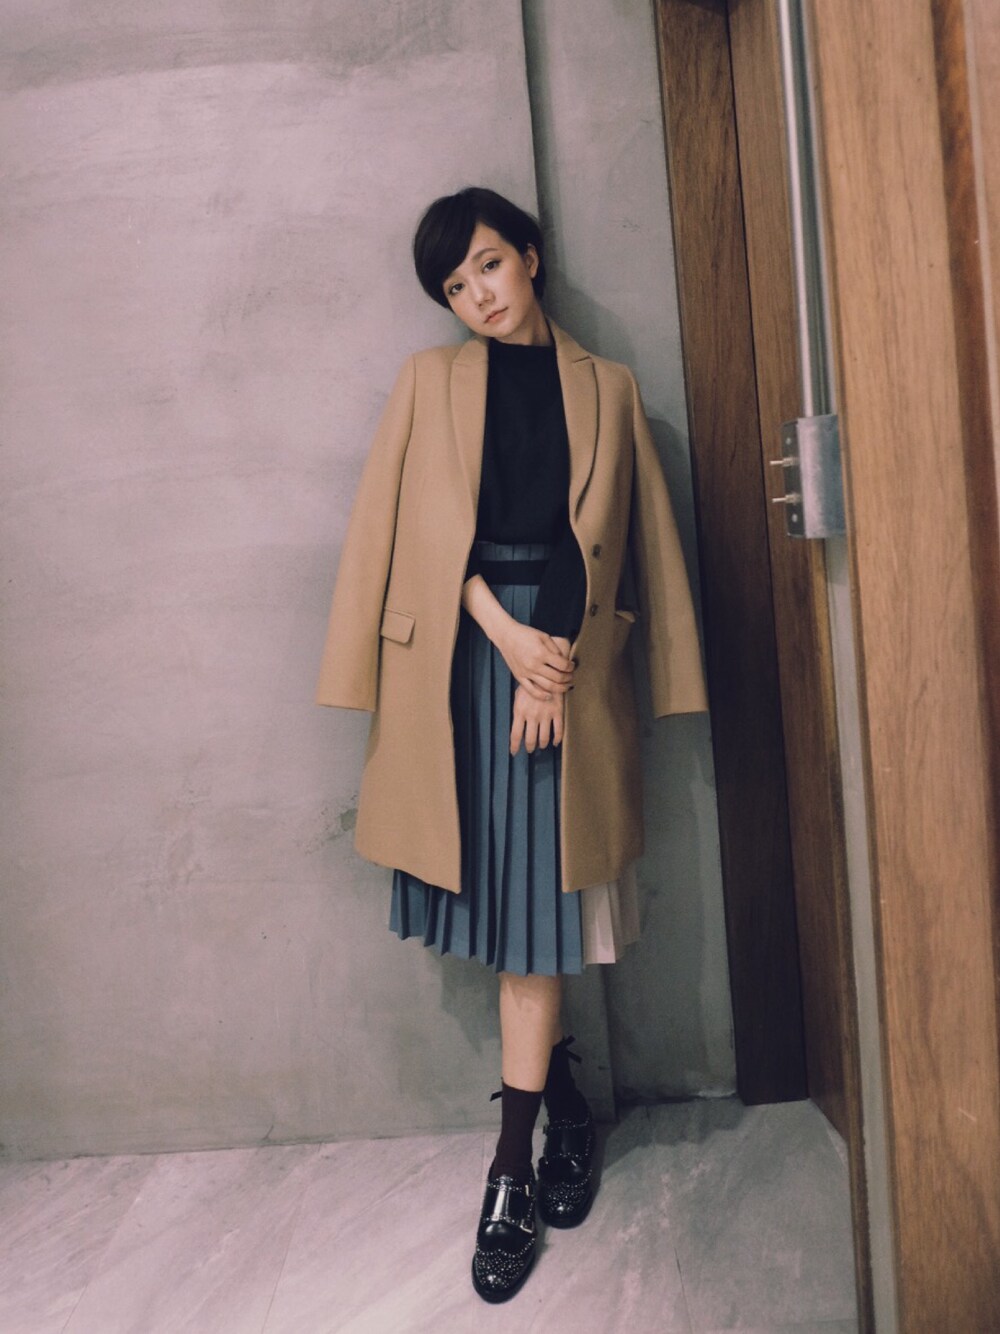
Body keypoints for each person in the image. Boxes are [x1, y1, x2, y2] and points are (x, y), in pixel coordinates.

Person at [315, 187, 707, 1302]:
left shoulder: (608, 387)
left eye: (488, 264)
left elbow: (624, 544)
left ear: (529, 257)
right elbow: (409, 535)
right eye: (455, 285)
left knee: (535, 929)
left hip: (566, 665)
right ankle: (564, 1107)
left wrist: (558, 663)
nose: (478, 295)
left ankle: (510, 1170)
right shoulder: (428, 383)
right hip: (466, 655)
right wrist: (508, 641)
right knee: (512, 923)